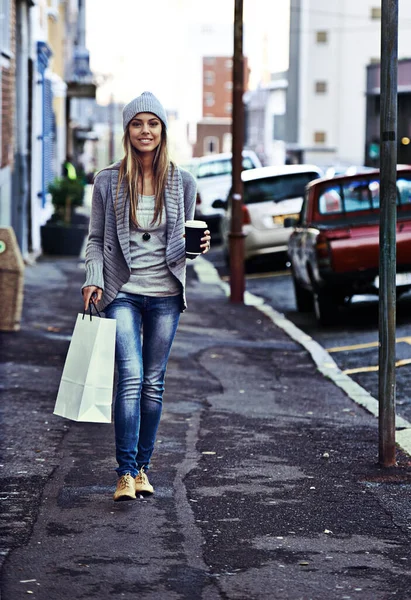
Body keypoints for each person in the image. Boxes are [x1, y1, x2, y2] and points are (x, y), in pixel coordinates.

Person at [82, 92, 211, 501]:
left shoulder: (183, 181)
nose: (145, 131)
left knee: (153, 383)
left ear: (163, 130)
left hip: (166, 294)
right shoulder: (107, 180)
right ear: (127, 131)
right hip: (121, 291)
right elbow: (96, 240)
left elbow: (182, 245)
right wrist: (93, 277)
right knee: (132, 377)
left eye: (152, 123)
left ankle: (142, 469)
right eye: (137, 123)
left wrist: (197, 247)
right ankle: (123, 474)